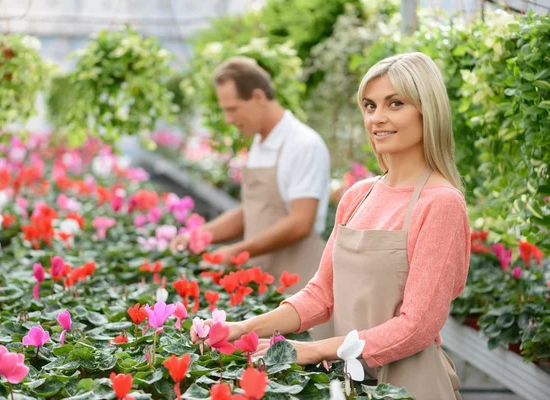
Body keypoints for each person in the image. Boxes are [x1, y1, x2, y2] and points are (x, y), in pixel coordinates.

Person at [192, 52, 470, 400]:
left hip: (411, 385)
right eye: (369, 106)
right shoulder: (358, 196)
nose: (377, 118)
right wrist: (242, 329)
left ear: (427, 110)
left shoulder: (441, 203)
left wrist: (316, 349)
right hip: (350, 382)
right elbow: (321, 296)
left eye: (395, 104)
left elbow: (416, 328)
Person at [170, 56, 333, 339]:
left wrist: (236, 251)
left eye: (232, 109)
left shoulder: (303, 144)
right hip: (265, 278)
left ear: (258, 97)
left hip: (300, 283)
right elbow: (253, 210)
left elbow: (301, 222)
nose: (229, 119)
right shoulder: (261, 142)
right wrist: (203, 235)